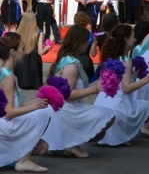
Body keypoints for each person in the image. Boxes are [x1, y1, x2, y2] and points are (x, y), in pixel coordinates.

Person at [0, 33, 51, 172]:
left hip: (1, 123)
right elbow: (9, 112)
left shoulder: (7, 73)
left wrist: (40, 99)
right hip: (2, 125)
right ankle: (23, 160)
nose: (25, 52)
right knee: (44, 113)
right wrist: (36, 106)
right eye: (22, 48)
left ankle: (16, 157)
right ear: (13, 51)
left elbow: (18, 104)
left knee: (43, 147)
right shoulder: (8, 77)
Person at [41, 25, 116, 158]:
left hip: (68, 107)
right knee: (107, 117)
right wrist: (94, 89)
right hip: (68, 109)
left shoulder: (67, 59)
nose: (88, 43)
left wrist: (99, 81)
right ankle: (71, 143)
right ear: (79, 42)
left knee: (103, 124)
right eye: (87, 40)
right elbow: (68, 94)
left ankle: (68, 143)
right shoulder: (71, 64)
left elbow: (79, 86)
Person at [94, 24, 149, 146]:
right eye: (132, 36)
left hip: (102, 103)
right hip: (118, 105)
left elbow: (102, 81)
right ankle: (120, 133)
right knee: (144, 106)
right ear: (126, 39)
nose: (135, 38)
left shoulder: (110, 56)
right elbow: (127, 88)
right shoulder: (126, 60)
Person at [13, 11, 46, 90]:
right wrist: (47, 48)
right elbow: (40, 52)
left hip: (21, 63)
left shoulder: (18, 32)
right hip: (34, 63)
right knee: (36, 57)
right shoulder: (38, 32)